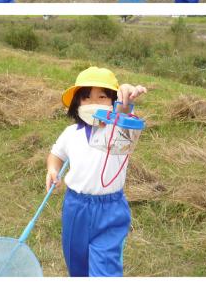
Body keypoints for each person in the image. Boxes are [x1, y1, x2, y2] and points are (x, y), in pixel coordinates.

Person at [47, 67, 147, 276]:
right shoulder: (71, 133)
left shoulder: (119, 130)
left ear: (113, 101)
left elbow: (125, 112)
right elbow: (56, 154)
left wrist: (125, 97)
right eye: (86, 97)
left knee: (105, 270)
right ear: (77, 104)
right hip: (76, 207)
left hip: (110, 210)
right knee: (76, 263)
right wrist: (53, 169)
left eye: (102, 97)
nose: (93, 103)